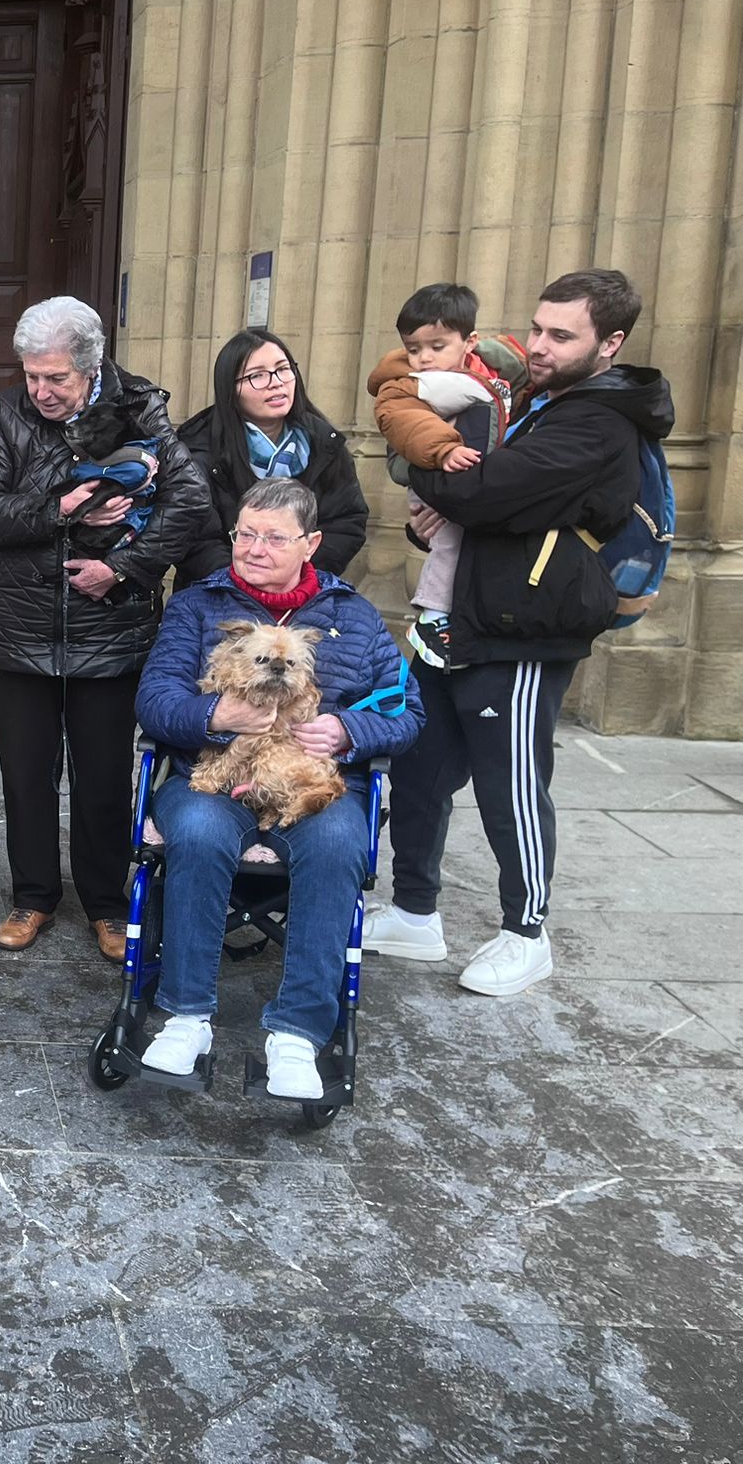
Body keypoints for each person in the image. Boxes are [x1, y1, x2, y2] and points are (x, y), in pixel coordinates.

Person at [365, 269, 669, 996]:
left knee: (513, 788)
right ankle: (414, 912)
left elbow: (482, 490)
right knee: (418, 771)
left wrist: (416, 464)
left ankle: (525, 934)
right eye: (536, 327)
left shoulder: (598, 423)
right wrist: (429, 516)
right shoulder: (535, 401)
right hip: (453, 621)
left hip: (522, 633)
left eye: (561, 335)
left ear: (610, 342)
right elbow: (477, 513)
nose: (538, 345)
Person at [134, 478, 423, 1098]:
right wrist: (214, 717)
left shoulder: (354, 615)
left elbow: (408, 712)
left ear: (311, 543)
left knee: (339, 845)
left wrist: (347, 730)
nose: (254, 548)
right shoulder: (197, 606)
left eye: (273, 537)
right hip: (208, 775)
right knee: (201, 832)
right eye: (245, 534)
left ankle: (296, 1034)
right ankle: (186, 1018)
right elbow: (154, 702)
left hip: (316, 779)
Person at [0, 296, 212, 959]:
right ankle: (34, 895)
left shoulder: (138, 407)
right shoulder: (5, 414)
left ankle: (106, 902)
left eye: (56, 379)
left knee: (102, 776)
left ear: (91, 366)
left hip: (110, 625)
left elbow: (190, 500)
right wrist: (60, 507)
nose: (40, 391)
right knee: (25, 774)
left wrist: (124, 567)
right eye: (32, 376)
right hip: (21, 625)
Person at [364, 283, 519, 670]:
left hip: (467, 477)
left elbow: (516, 368)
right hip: (435, 473)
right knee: (449, 543)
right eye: (414, 349)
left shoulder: (483, 369)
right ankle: (433, 615)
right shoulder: (417, 383)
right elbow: (404, 420)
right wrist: (444, 448)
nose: (424, 359)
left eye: (437, 347)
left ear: (470, 342)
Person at [174, 330, 368, 587]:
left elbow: (347, 522)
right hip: (219, 594)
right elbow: (193, 537)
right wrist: (248, 584)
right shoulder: (197, 450)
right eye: (257, 376)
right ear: (230, 389)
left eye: (283, 369)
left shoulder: (324, 443)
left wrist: (294, 579)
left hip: (302, 594)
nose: (276, 382)